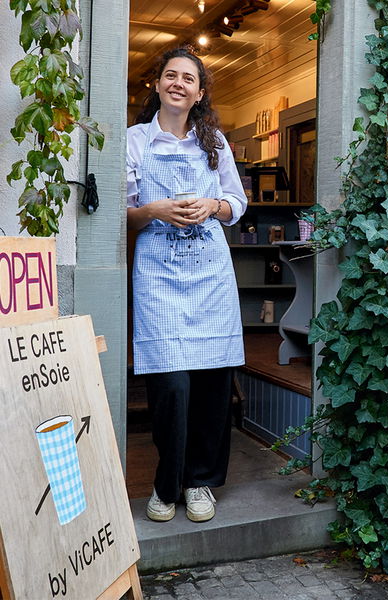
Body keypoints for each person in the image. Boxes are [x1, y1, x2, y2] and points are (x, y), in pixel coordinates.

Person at [126, 47, 246, 523]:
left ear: (199, 93)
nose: (178, 83)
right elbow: (125, 212)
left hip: (210, 275)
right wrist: (155, 210)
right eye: (170, 75)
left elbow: (236, 202)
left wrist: (210, 207)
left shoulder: (212, 140)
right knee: (171, 385)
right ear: (156, 84)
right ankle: (165, 483)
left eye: (188, 79)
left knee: (214, 383)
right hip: (159, 275)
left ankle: (200, 482)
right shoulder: (135, 140)